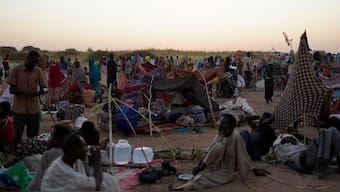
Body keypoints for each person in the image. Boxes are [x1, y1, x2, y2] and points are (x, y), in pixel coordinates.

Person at [169, 115, 268, 191]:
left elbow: (244, 155)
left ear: (232, 128)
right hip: (213, 165)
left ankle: (181, 189)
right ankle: (186, 184)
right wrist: (200, 166)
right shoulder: (220, 134)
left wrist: (255, 171)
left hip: (225, 170)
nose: (226, 130)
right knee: (217, 147)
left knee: (202, 179)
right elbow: (210, 151)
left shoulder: (236, 137)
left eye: (228, 128)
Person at [41, 134, 121, 191]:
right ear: (76, 151)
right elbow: (96, 185)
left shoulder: (59, 162)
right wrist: (97, 161)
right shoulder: (69, 175)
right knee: (107, 181)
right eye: (84, 146)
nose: (86, 149)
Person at [7, 51, 47, 149]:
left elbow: (45, 87)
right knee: (16, 138)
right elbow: (12, 90)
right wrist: (27, 91)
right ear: (27, 60)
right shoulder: (16, 70)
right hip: (19, 110)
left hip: (34, 110)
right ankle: (14, 160)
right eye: (32, 62)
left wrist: (40, 91)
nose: (34, 65)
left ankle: (31, 160)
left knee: (33, 138)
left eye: (36, 63)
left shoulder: (38, 71)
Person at [25, 125, 72, 191]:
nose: (49, 139)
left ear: (58, 139)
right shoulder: (72, 153)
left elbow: (38, 180)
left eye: (52, 136)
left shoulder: (50, 154)